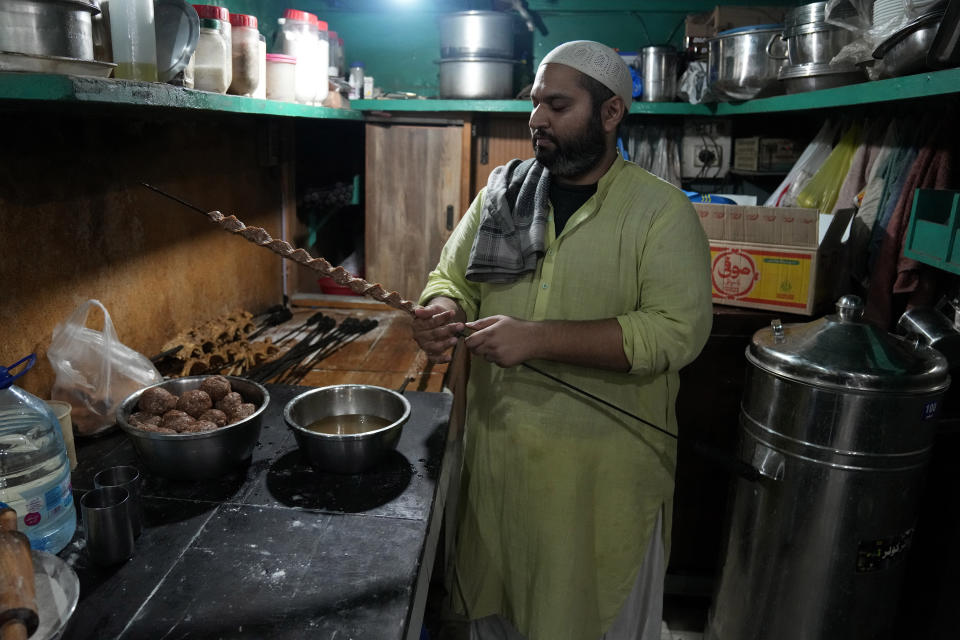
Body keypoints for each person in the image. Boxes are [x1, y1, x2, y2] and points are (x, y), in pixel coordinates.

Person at [412, 40, 713, 640]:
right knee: (496, 615)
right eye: (534, 103)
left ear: (610, 114)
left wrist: (538, 338)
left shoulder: (662, 212)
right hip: (499, 467)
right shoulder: (503, 193)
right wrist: (440, 310)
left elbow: (675, 332)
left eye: (557, 104)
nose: (537, 119)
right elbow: (451, 278)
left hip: (599, 483)